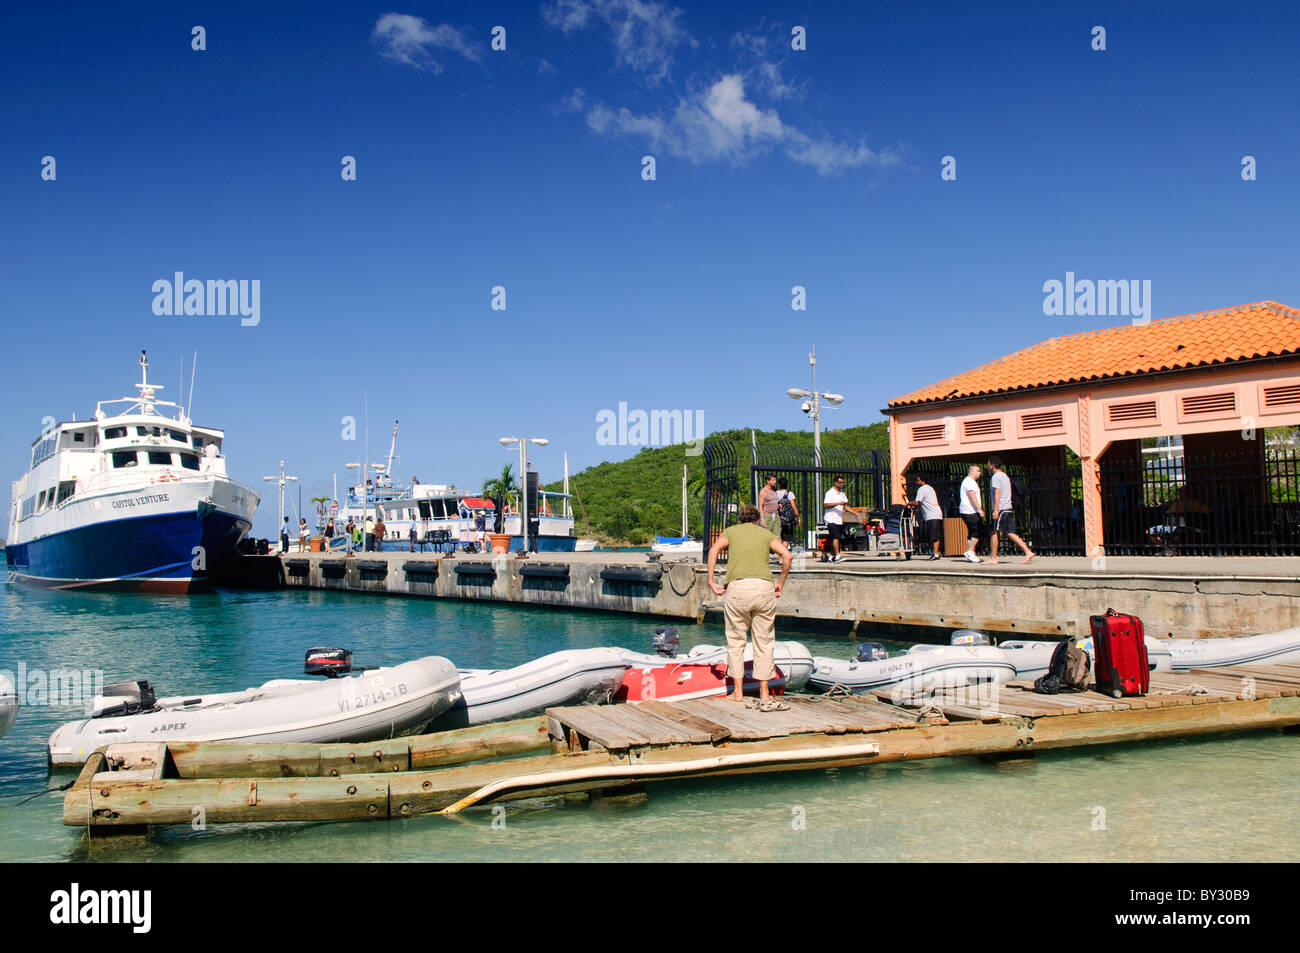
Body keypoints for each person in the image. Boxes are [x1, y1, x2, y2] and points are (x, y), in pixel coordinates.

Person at [706, 504, 793, 711]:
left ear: (741, 520)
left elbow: (714, 549)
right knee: (764, 641)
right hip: (764, 587)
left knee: (736, 640)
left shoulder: (731, 532)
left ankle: (737, 693)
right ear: (756, 521)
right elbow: (787, 556)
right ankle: (764, 693)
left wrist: (711, 580)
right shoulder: (765, 533)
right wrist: (780, 581)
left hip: (738, 587)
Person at [988, 456, 1034, 564]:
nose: (988, 466)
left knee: (994, 531)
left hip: (1001, 509)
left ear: (992, 465)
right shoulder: (1004, 476)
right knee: (1009, 532)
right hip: (1007, 507)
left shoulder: (996, 477)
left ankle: (993, 557)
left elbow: (997, 493)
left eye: (989, 464)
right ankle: (1028, 551)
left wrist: (995, 509)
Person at [908, 473, 944, 560]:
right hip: (935, 514)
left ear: (922, 481)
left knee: (933, 535)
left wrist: (908, 503)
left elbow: (917, 502)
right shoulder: (930, 488)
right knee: (933, 534)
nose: (917, 482)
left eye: (918, 480)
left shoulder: (922, 489)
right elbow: (920, 504)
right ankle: (935, 553)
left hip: (932, 515)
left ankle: (936, 554)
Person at [959, 465, 985, 563]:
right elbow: (971, 495)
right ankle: (970, 551)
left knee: (972, 532)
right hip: (970, 511)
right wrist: (979, 509)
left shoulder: (969, 481)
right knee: (977, 531)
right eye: (978, 471)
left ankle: (971, 553)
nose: (980, 473)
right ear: (972, 471)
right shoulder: (969, 481)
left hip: (968, 511)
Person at [823, 476, 848, 562]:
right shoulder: (830, 493)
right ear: (835, 483)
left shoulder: (842, 494)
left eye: (843, 482)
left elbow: (845, 506)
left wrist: (855, 513)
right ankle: (837, 556)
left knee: (836, 538)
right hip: (831, 519)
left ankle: (831, 556)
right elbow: (825, 505)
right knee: (835, 537)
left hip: (838, 519)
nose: (842, 484)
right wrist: (838, 503)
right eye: (840, 482)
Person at [775, 477, 800, 547]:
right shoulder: (789, 493)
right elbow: (794, 507)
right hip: (787, 520)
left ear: (779, 485)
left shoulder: (775, 493)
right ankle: (783, 554)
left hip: (777, 518)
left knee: (778, 536)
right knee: (786, 538)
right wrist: (798, 518)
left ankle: (780, 552)